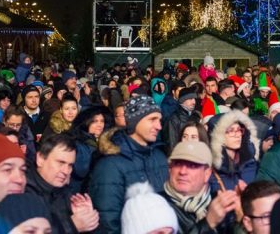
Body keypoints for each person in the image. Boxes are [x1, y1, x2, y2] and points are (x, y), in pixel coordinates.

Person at [90, 95, 168, 233]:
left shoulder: (159, 156)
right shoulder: (110, 165)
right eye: (152, 119)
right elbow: (108, 222)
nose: (159, 126)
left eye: (159, 120)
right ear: (135, 121)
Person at [26, 134, 100, 233]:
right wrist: (72, 226)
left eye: (70, 165)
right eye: (60, 163)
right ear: (40, 159)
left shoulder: (64, 192)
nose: (66, 171)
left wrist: (87, 220)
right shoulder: (21, 193)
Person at [161, 141, 240, 233]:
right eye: (178, 164)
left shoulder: (219, 202)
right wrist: (208, 223)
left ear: (207, 174)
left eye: (192, 166)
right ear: (170, 169)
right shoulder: (156, 205)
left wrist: (240, 217)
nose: (182, 172)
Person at [208, 111, 259, 194]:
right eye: (231, 131)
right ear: (218, 136)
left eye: (239, 130)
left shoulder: (251, 162)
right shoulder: (209, 169)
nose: (237, 135)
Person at [69, 105, 113, 194]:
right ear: (86, 122)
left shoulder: (105, 142)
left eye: (102, 121)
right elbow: (81, 170)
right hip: (77, 192)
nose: (100, 125)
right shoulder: (79, 143)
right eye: (95, 121)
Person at [162, 86, 199, 153]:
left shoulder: (196, 116)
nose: (194, 102)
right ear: (182, 100)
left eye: (194, 99)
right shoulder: (173, 119)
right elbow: (171, 145)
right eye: (190, 99)